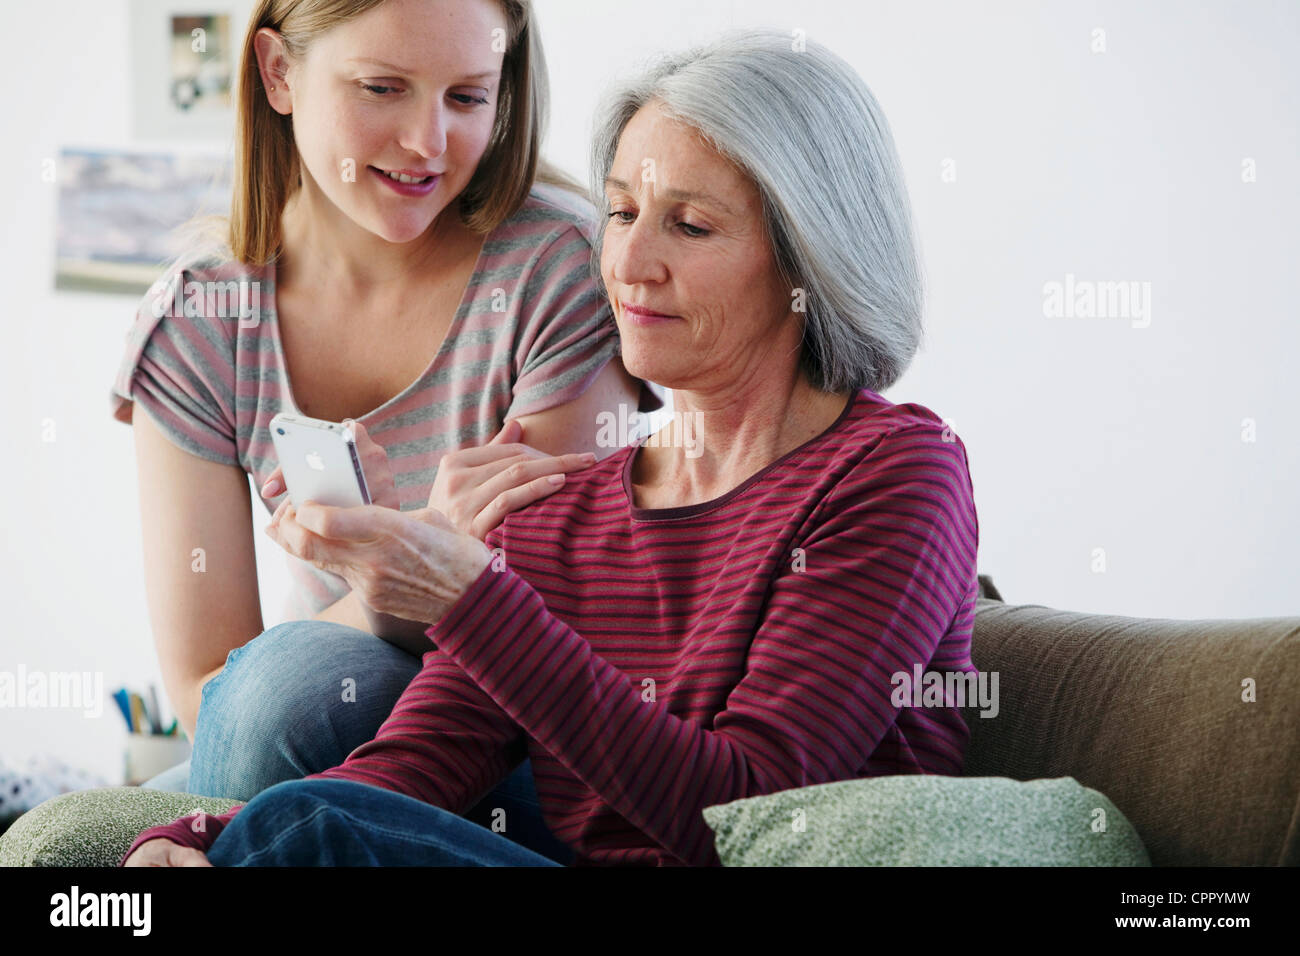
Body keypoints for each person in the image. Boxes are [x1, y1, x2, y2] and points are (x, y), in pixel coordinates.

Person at [123, 28, 980, 868]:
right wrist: (194, 836)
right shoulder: (555, 510)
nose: (630, 264)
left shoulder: (895, 473)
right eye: (621, 212)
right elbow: (408, 775)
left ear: (809, 256)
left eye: (690, 226)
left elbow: (751, 816)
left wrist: (473, 597)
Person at [109, 0, 654, 830]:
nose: (428, 143)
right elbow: (204, 690)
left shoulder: (558, 269)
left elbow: (551, 626)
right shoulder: (201, 317)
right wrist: (397, 582)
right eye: (383, 88)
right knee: (265, 705)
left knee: (290, 694)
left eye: (467, 98)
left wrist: (408, 583)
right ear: (278, 72)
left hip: (528, 726)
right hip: (306, 711)